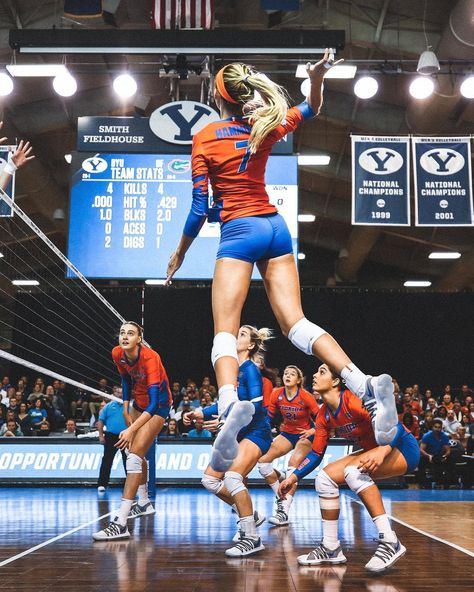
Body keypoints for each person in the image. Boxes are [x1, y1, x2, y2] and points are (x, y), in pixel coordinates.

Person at [166, 50, 399, 472]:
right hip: (275, 228)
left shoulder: (206, 137)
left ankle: (228, 403)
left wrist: (180, 252)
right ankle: (362, 382)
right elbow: (312, 106)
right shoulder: (266, 124)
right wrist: (316, 75)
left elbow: (200, 208)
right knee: (297, 325)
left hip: (239, 232)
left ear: (219, 101)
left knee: (224, 331)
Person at [279, 364, 419, 573]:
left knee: (353, 471)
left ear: (336, 381)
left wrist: (382, 451)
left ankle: (390, 541)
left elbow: (395, 425)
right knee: (324, 478)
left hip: (401, 447)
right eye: (316, 372)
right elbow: (316, 454)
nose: (315, 376)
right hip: (377, 449)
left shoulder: (353, 401)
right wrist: (294, 477)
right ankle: (330, 547)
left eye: (322, 372)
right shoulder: (324, 415)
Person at [184, 325, 273, 557]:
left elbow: (255, 406)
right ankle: (250, 514)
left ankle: (251, 537)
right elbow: (224, 405)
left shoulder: (250, 369)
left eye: (241, 334)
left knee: (232, 477)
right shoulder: (231, 371)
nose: (236, 337)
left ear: (251, 345)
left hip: (256, 433)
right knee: (210, 480)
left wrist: (226, 423)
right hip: (237, 433)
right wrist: (200, 413)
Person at [93, 321, 172, 541]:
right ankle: (144, 502)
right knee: (135, 454)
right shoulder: (117, 353)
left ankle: (120, 523)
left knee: (134, 457)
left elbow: (155, 402)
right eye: (122, 333)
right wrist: (126, 409)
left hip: (159, 406)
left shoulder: (150, 358)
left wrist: (131, 429)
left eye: (130, 333)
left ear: (139, 339)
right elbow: (126, 380)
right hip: (138, 404)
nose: (125, 336)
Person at [258, 365, 319, 525]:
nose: (288, 376)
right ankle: (281, 496)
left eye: (292, 374)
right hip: (287, 434)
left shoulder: (306, 396)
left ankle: (283, 511)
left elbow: (322, 418)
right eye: (285, 373)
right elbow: (269, 418)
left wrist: (313, 431)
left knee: (293, 465)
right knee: (263, 463)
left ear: (298, 380)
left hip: (304, 435)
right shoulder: (276, 393)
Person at [96, 389, 128, 492]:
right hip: (110, 436)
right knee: (107, 460)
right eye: (118, 392)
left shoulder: (129, 406)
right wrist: (101, 435)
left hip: (125, 436)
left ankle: (131, 486)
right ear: (114, 394)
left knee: (128, 461)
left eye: (122, 392)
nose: (120, 394)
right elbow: (100, 421)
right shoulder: (108, 406)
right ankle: (102, 484)